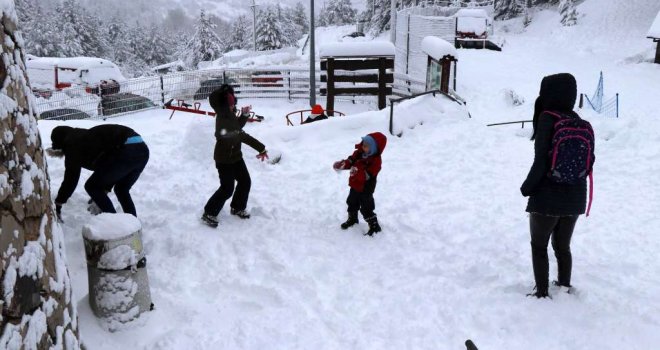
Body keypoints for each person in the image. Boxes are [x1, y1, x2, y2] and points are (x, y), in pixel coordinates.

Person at [520, 73, 594, 298]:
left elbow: (541, 160)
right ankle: (564, 286)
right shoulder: (578, 121)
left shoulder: (547, 118)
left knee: (539, 246)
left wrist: (527, 188)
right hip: (575, 198)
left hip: (547, 198)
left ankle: (542, 292)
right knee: (563, 247)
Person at [201, 84, 269, 228]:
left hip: (236, 157)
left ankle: (237, 207)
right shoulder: (222, 119)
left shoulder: (229, 114)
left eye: (234, 104)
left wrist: (243, 115)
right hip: (224, 160)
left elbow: (236, 128)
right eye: (231, 105)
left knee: (245, 181)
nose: (233, 107)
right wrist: (261, 148)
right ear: (224, 106)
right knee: (227, 189)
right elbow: (240, 135)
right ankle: (209, 212)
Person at [49, 124, 149, 219]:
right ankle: (133, 226)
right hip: (142, 149)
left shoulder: (72, 144)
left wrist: (59, 202)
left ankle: (117, 226)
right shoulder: (86, 138)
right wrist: (101, 193)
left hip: (126, 150)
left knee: (91, 186)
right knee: (121, 189)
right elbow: (107, 165)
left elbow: (71, 178)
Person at [333, 132, 387, 236]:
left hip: (366, 188)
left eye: (366, 145)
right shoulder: (359, 153)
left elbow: (368, 175)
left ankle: (374, 226)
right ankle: (352, 219)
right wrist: (343, 164)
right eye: (363, 144)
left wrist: (357, 171)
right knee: (351, 202)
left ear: (374, 149)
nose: (363, 146)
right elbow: (351, 160)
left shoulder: (376, 161)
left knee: (367, 207)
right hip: (355, 185)